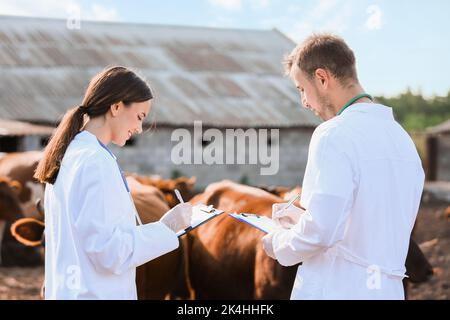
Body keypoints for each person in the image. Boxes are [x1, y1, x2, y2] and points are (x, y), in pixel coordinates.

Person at [261, 34, 425, 299]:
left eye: (302, 88)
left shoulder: (332, 134)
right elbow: (369, 223)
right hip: (388, 290)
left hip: (339, 288)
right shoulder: (402, 140)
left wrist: (278, 241)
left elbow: (321, 233)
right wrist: (302, 219)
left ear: (322, 78)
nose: (304, 102)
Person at [34, 66, 193, 299]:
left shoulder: (68, 154)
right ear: (116, 107)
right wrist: (165, 230)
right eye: (139, 117)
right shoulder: (95, 161)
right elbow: (109, 252)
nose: (139, 128)